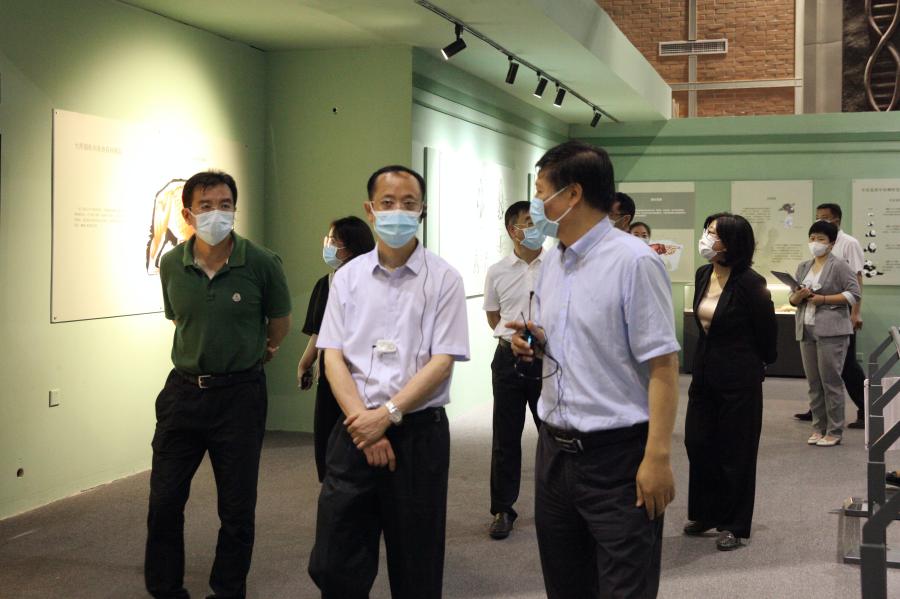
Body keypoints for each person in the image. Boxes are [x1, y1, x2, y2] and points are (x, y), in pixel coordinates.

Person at [510, 141, 680, 599]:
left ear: (572, 194)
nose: (534, 203)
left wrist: (657, 457)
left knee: (625, 587)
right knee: (565, 586)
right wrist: (534, 343)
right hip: (554, 453)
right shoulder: (553, 260)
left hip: (617, 459)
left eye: (540, 191)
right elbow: (571, 341)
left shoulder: (634, 261)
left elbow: (664, 365)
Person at [307, 165, 469, 599]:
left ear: (422, 210)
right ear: (370, 209)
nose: (398, 211)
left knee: (417, 562)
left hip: (417, 435)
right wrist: (366, 421)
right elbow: (332, 355)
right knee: (335, 561)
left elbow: (443, 361)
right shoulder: (348, 277)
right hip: (354, 430)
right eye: (388, 202)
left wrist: (388, 415)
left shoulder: (445, 279)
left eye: (408, 203)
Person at [145, 170, 292, 599]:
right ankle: (165, 588)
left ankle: (227, 590)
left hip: (240, 397)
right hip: (183, 394)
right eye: (206, 206)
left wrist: (261, 349)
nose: (217, 213)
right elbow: (178, 318)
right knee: (165, 500)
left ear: (235, 209)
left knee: (237, 506)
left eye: (225, 205)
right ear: (188, 214)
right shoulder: (171, 264)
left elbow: (279, 322)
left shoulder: (262, 262)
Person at [683, 213, 777, 551]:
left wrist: (755, 364)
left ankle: (735, 524)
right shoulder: (703, 274)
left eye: (715, 234)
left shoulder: (750, 283)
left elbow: (767, 334)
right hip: (704, 374)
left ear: (733, 243)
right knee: (698, 442)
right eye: (707, 231)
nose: (707, 238)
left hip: (739, 377)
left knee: (736, 451)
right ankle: (706, 512)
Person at [482, 200, 544, 539]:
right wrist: (512, 337)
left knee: (552, 434)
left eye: (539, 221)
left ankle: (559, 504)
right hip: (507, 359)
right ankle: (502, 509)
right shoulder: (498, 270)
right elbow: (493, 316)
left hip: (547, 358)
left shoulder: (558, 265)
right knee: (505, 436)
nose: (536, 228)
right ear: (513, 230)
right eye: (528, 222)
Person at [297, 216, 375, 482]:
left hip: (343, 375)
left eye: (332, 240)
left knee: (337, 436)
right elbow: (320, 331)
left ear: (349, 247)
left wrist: (305, 364)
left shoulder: (336, 282)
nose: (327, 245)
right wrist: (305, 363)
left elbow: (320, 333)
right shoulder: (371, 280)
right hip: (360, 374)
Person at [794, 203, 866, 429]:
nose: (820, 222)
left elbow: (856, 283)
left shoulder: (848, 246)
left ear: (837, 220)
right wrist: (798, 296)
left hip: (835, 321)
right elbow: (795, 295)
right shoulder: (805, 265)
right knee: (816, 379)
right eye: (817, 218)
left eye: (825, 218)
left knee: (843, 369)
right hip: (809, 324)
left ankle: (864, 409)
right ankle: (819, 419)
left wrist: (856, 312)